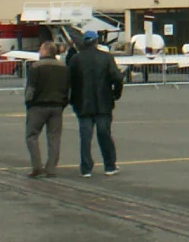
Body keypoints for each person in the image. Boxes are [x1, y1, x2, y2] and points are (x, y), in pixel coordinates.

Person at [67, 30, 124, 178]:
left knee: (85, 137)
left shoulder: (76, 59)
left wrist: (72, 100)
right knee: (104, 134)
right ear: (96, 41)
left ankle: (86, 168)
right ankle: (109, 165)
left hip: (83, 104)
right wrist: (115, 94)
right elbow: (117, 78)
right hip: (103, 102)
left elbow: (69, 81)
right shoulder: (106, 58)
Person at [24, 41, 69, 177]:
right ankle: (51, 168)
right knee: (54, 138)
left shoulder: (36, 67)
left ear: (45, 51)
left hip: (38, 105)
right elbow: (68, 89)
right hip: (57, 106)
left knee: (31, 136)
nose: (39, 51)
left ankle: (37, 166)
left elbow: (31, 88)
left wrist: (28, 102)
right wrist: (63, 103)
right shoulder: (63, 67)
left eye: (40, 49)